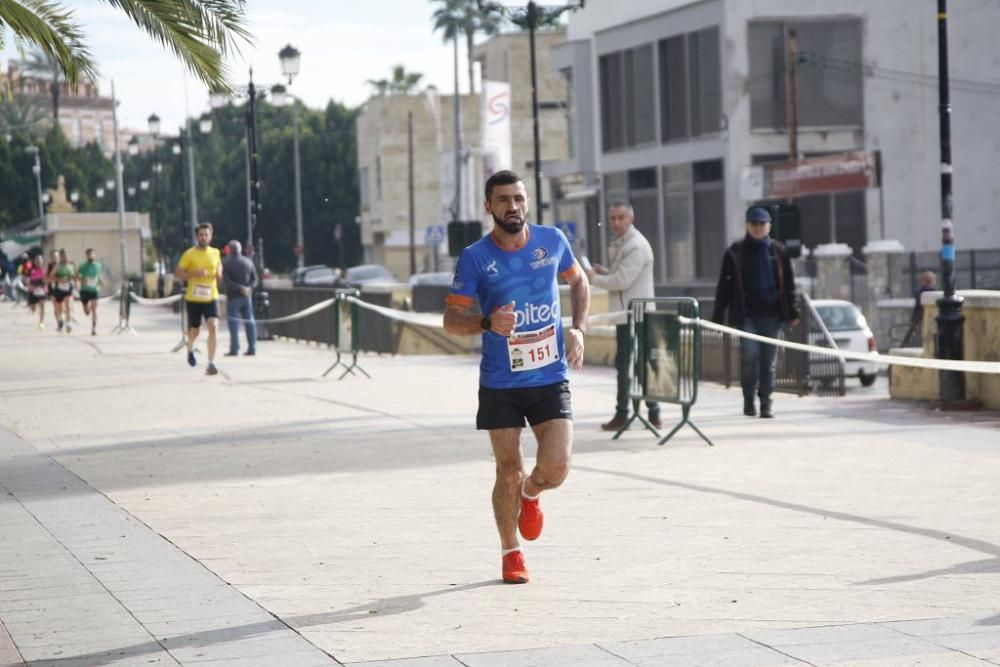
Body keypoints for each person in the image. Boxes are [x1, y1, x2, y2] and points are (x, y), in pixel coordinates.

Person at [443, 169, 590, 585]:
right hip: (501, 383)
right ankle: (511, 552)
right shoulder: (474, 257)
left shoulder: (552, 241)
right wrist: (488, 323)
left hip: (548, 375)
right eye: (504, 200)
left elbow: (580, 283)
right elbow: (452, 320)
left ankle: (531, 494)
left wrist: (577, 328)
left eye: (520, 199)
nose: (514, 207)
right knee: (508, 470)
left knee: (557, 467)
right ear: (488, 206)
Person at [712, 207, 799, 419]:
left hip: (772, 315)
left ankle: (766, 404)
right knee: (749, 358)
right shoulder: (734, 252)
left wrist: (793, 311)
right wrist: (718, 315)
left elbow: (789, 284)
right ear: (747, 226)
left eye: (762, 224)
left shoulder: (778, 251)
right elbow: (724, 286)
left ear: (769, 226)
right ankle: (748, 399)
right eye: (754, 224)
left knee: (768, 364)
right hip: (747, 315)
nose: (758, 228)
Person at [584, 201, 660, 432]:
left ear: (631, 219)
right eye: (613, 218)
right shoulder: (624, 244)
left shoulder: (636, 246)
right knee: (633, 364)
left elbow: (621, 281)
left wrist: (592, 278)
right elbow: (622, 276)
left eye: (621, 218)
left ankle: (628, 413)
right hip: (627, 313)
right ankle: (647, 411)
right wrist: (604, 272)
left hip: (635, 315)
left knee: (634, 364)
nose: (616, 223)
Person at [175, 222, 223, 376]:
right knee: (195, 331)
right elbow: (178, 274)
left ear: (210, 236)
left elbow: (219, 268)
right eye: (201, 235)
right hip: (194, 298)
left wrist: (219, 274)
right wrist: (193, 274)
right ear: (197, 236)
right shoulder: (189, 254)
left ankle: (211, 363)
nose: (203, 237)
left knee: (213, 326)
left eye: (206, 235)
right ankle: (190, 348)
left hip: (211, 296)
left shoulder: (215, 252)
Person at [222, 240, 258, 357]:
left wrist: (239, 288)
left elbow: (227, 282)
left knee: (233, 323)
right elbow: (255, 279)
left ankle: (234, 348)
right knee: (250, 322)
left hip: (233, 297)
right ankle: (252, 348)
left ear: (230, 250)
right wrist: (248, 288)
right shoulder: (248, 262)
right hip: (247, 297)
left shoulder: (226, 263)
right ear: (240, 249)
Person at [76, 248, 104, 335]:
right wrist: (81, 280)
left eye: (92, 254)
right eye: (89, 254)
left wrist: (101, 281)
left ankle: (94, 328)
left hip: (94, 290)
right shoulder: (82, 266)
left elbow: (98, 275)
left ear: (95, 255)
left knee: (94, 309)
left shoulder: (98, 265)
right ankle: (86, 309)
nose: (91, 256)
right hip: (84, 290)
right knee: (86, 311)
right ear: (86, 256)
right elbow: (76, 276)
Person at [49, 248, 77, 333]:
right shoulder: (57, 266)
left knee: (68, 306)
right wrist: (60, 279)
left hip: (68, 289)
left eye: (66, 256)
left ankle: (68, 324)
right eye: (63, 256)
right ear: (61, 257)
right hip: (59, 289)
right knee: (59, 309)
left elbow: (75, 276)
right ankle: (60, 321)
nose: (65, 257)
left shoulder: (71, 265)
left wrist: (75, 284)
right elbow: (51, 277)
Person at [26, 253, 48, 328]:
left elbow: (47, 280)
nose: (38, 262)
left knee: (42, 306)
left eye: (40, 260)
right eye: (37, 260)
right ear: (34, 261)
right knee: (33, 309)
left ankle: (41, 323)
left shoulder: (45, 270)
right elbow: (27, 280)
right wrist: (30, 286)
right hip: (33, 292)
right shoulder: (31, 270)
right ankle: (33, 307)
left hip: (42, 291)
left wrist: (44, 284)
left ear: (42, 261)